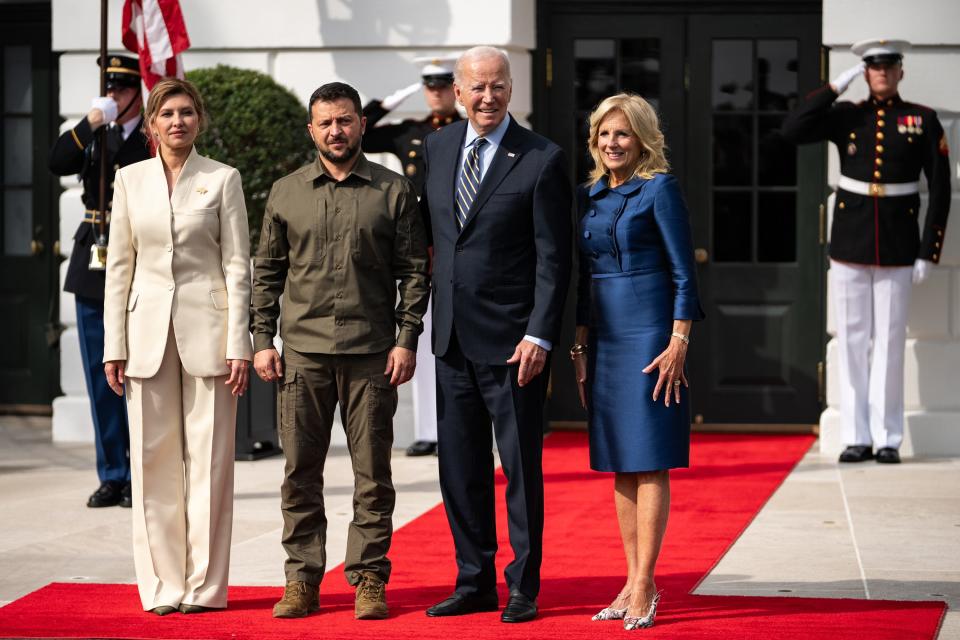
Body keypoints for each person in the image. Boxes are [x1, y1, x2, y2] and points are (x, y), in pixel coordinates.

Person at [250, 82, 429, 621]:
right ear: (312, 129)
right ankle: (301, 578)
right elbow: (266, 274)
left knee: (373, 475)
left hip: (372, 355)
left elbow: (415, 274)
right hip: (302, 355)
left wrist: (405, 340)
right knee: (300, 473)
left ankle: (369, 577)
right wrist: (262, 340)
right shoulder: (286, 192)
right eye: (326, 122)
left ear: (361, 125)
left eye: (345, 121)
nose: (336, 131)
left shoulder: (393, 191)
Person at [420, 46, 573, 623]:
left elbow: (553, 259)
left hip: (515, 347)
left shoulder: (541, 157)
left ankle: (523, 586)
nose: (488, 98)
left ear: (513, 90)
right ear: (458, 93)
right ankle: (473, 579)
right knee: (459, 469)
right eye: (477, 88)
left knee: (519, 471)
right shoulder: (435, 149)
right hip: (451, 341)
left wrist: (540, 335)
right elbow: (432, 241)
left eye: (499, 87)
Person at [102, 78, 253, 615]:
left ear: (200, 120)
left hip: (210, 336)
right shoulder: (129, 180)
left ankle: (206, 588)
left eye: (187, 112)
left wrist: (241, 342)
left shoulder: (223, 179)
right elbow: (119, 269)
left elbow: (238, 266)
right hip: (144, 337)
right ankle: (164, 587)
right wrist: (112, 346)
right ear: (151, 123)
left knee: (211, 466)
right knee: (152, 465)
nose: (178, 122)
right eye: (167, 113)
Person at [781, 39, 951, 465]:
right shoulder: (845, 116)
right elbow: (793, 128)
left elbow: (942, 190)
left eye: (888, 67)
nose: (881, 74)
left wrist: (929, 251)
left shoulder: (923, 120)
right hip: (851, 240)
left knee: (890, 342)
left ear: (900, 72)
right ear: (866, 72)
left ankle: (888, 437)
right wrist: (835, 86)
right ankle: (856, 436)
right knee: (853, 340)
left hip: (898, 243)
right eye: (873, 68)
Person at [571, 93, 703, 631]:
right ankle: (629, 581)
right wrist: (580, 348)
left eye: (622, 134)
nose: (611, 144)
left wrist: (678, 340)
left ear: (643, 138)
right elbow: (583, 281)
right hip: (604, 339)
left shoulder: (660, 189)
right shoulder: (588, 196)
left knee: (649, 458)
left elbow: (683, 272)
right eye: (604, 134)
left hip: (651, 335)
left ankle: (646, 583)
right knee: (619, 462)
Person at [48, 54, 149, 509]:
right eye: (109, 90)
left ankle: (142, 473)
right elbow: (57, 161)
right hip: (95, 256)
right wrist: (91, 121)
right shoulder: (95, 135)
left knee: (138, 373)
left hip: (139, 257)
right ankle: (113, 473)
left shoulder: (151, 137)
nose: (114, 97)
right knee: (97, 373)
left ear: (138, 93)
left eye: (123, 90)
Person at [362, 54, 462, 457]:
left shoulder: (468, 128)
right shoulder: (410, 131)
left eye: (442, 86)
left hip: (454, 241)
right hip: (414, 242)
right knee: (415, 334)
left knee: (453, 333)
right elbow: (364, 135)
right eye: (429, 87)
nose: (436, 93)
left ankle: (454, 425)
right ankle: (428, 430)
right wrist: (392, 99)